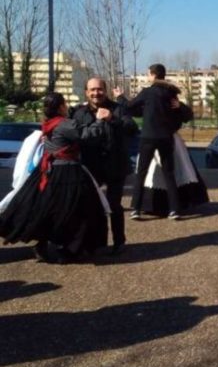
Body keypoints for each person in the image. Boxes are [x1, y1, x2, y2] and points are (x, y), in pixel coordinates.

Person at [0, 92, 109, 263]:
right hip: (67, 171)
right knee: (76, 211)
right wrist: (100, 119)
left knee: (45, 209)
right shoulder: (64, 124)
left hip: (48, 171)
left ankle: (43, 244)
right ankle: (68, 249)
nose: (66, 107)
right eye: (64, 104)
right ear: (60, 107)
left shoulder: (48, 123)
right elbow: (87, 136)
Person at [70, 78, 138, 254]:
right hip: (90, 166)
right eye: (92, 90)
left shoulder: (117, 109)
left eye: (99, 89)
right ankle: (94, 243)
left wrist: (112, 118)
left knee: (114, 205)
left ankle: (119, 242)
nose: (96, 93)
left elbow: (132, 128)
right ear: (86, 92)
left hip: (115, 165)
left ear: (105, 90)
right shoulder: (79, 113)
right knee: (90, 206)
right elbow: (70, 133)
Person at [114, 63, 181, 221]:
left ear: (153, 75)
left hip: (148, 137)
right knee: (169, 175)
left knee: (141, 173)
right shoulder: (171, 93)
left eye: (148, 74)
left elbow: (130, 105)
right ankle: (174, 209)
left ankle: (136, 208)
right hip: (166, 137)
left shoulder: (148, 92)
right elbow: (177, 113)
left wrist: (119, 96)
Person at [134, 98, 209, 216]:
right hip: (153, 140)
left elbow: (187, 115)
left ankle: (174, 206)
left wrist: (180, 106)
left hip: (171, 140)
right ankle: (151, 205)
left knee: (176, 171)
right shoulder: (149, 101)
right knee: (152, 173)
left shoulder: (172, 102)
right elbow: (134, 111)